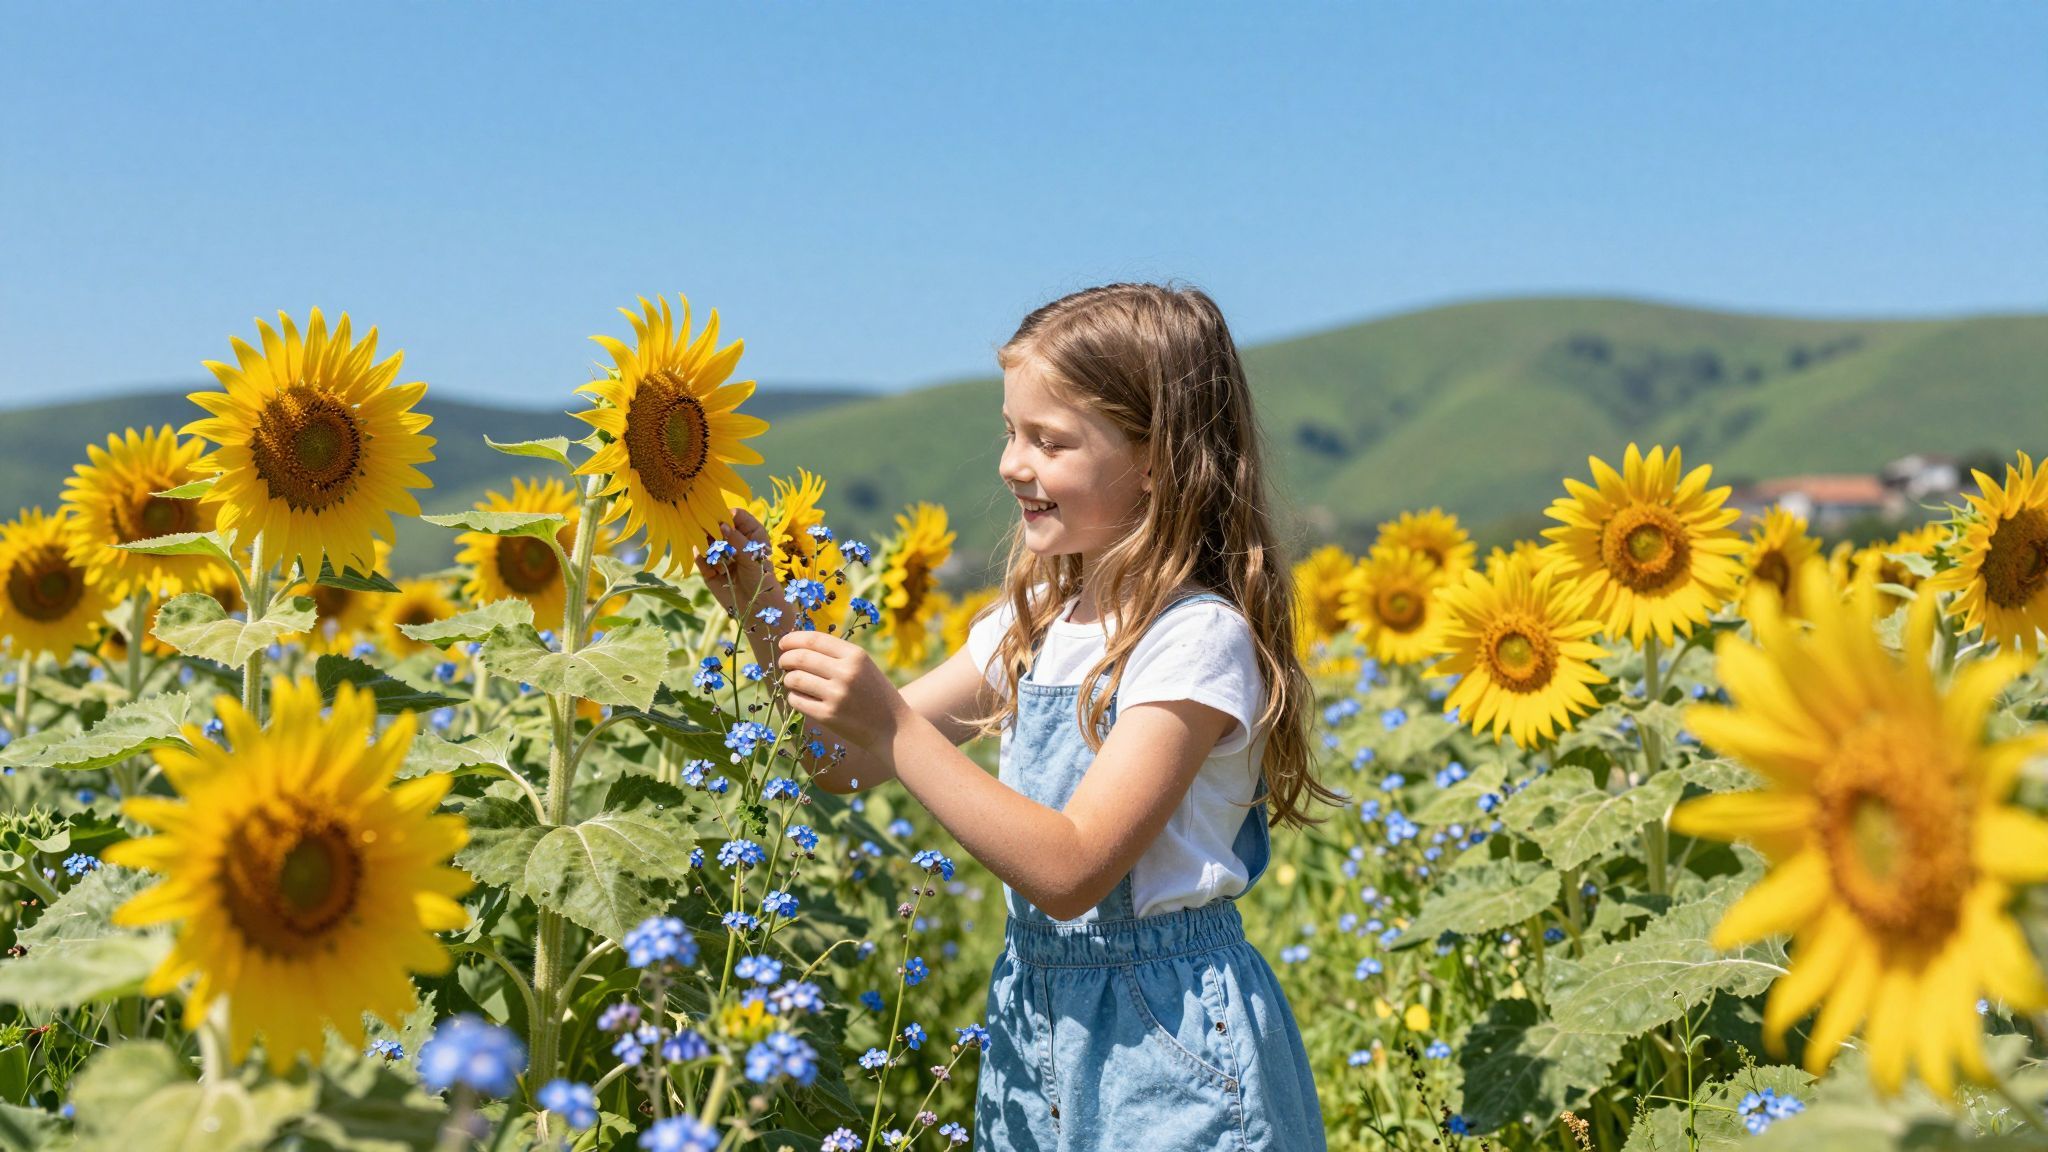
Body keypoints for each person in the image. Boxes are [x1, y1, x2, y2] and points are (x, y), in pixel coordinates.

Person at [700, 282, 1339, 1150]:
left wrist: (893, 724)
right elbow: (839, 764)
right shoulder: (1035, 619)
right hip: (1035, 1024)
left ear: (1157, 458)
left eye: (1049, 440)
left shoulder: (1195, 642)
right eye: (1011, 431)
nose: (1012, 462)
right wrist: (764, 612)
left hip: (1171, 1039)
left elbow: (1073, 870)